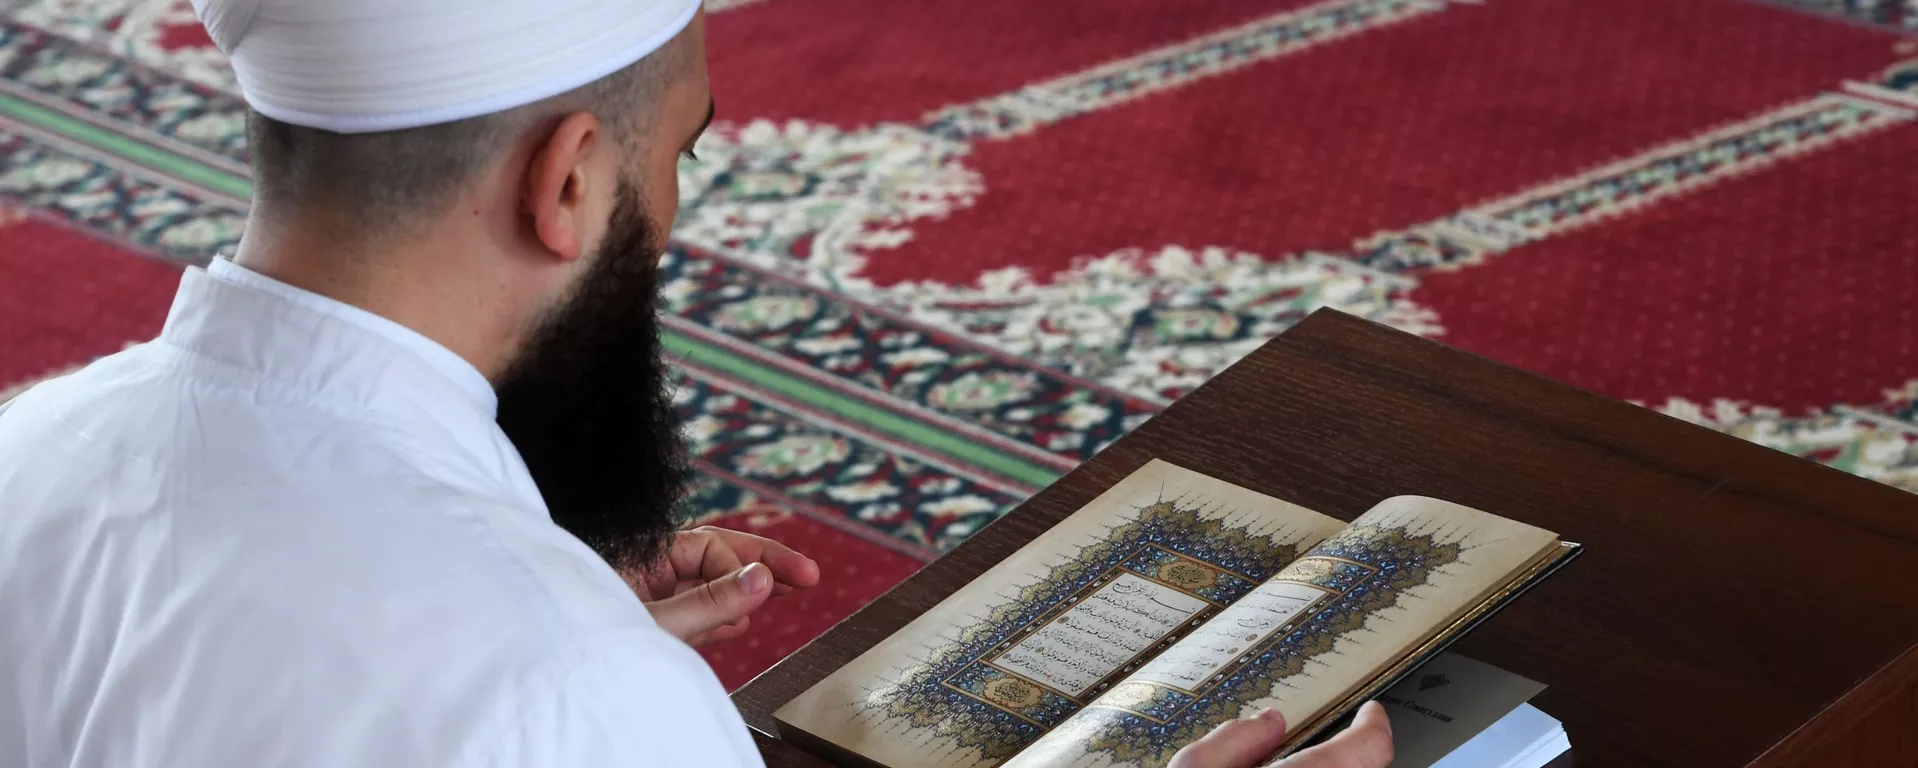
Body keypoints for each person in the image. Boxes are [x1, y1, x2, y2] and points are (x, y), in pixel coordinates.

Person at [0, 0, 1393, 765]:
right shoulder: (564, 691)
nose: (670, 216)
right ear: (567, 183)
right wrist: (568, 676)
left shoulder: (29, 452)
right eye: (675, 159)